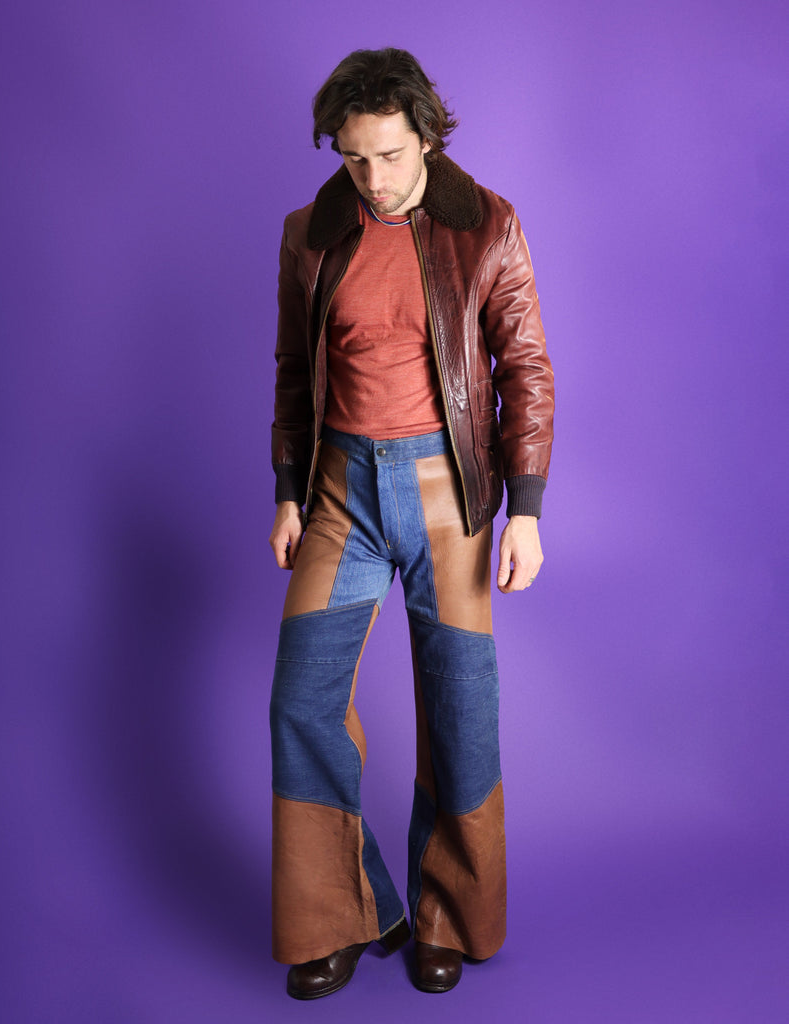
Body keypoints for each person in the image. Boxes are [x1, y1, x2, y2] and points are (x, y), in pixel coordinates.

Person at [268, 47, 554, 999]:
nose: (373, 177)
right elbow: (295, 373)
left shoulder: (488, 225)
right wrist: (286, 491)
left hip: (448, 494)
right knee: (302, 701)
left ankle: (447, 918)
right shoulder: (310, 233)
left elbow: (525, 370)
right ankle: (343, 914)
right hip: (339, 493)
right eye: (354, 158)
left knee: (460, 709)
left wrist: (525, 512)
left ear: (426, 136)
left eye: (389, 155)